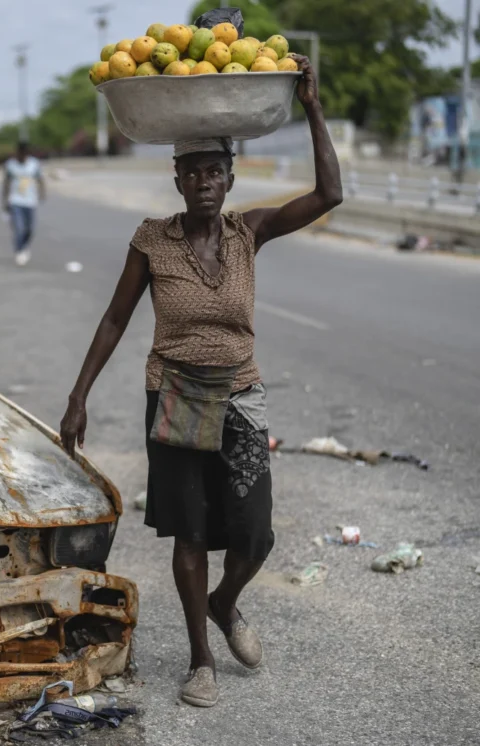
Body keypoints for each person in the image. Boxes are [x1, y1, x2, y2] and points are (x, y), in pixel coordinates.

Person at [58, 56, 341, 709]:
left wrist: (314, 107)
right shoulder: (152, 242)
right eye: (193, 172)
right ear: (178, 178)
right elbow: (113, 319)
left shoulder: (252, 232)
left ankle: (224, 602)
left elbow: (330, 197)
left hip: (240, 396)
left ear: (229, 178)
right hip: (176, 397)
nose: (205, 182)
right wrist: (79, 397)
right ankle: (200, 660)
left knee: (254, 535)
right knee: (189, 534)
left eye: (215, 171)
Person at [2, 141, 45, 266]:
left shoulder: (34, 164)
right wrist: (4, 200)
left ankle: (25, 245)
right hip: (15, 200)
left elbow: (40, 179)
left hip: (30, 201)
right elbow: (6, 182)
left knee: (30, 229)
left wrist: (42, 193)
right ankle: (19, 250)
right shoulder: (11, 164)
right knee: (19, 228)